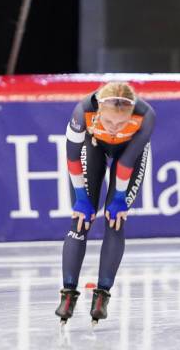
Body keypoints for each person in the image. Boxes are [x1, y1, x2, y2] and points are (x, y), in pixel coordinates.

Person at [55, 81, 155, 325]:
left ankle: (102, 295)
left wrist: (119, 200)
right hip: (93, 147)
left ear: (131, 115)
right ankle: (68, 294)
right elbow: (72, 160)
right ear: (99, 110)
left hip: (129, 153)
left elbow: (126, 163)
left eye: (122, 124)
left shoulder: (146, 116)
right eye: (109, 122)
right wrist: (80, 199)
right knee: (81, 220)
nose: (114, 129)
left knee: (115, 220)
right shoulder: (82, 112)